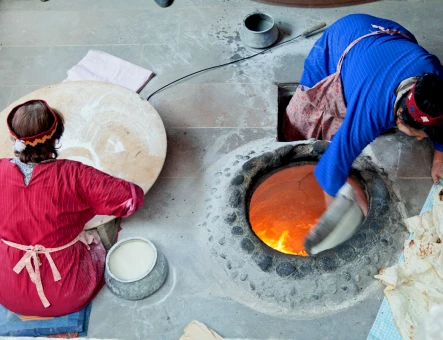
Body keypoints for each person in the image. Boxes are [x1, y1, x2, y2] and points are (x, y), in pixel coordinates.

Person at [0, 100, 145, 317]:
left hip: (7, 292)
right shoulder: (75, 174)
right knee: (97, 239)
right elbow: (131, 199)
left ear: (15, 140)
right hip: (67, 293)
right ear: (57, 138)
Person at [284, 14, 443, 210]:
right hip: (341, 38)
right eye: (418, 134)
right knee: (305, 115)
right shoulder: (370, 112)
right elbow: (332, 164)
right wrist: (335, 213)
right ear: (400, 115)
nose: (419, 139)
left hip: (388, 37)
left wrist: (440, 156)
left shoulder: (435, 78)